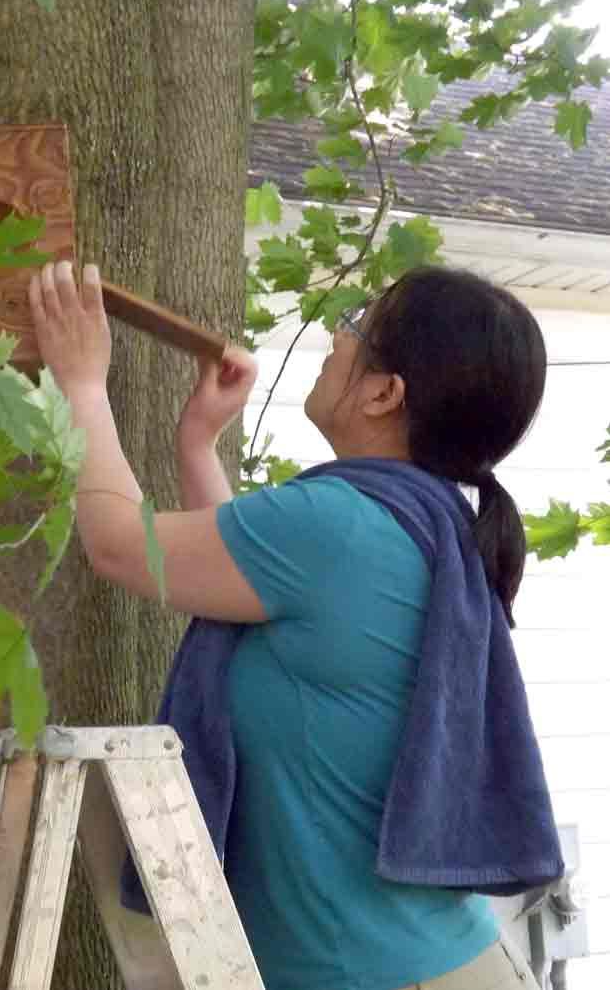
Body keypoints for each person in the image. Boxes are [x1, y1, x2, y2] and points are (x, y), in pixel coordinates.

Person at [28, 259, 560, 990]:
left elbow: (122, 547)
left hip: (373, 976)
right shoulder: (416, 520)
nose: (335, 339)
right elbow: (237, 587)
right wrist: (197, 444)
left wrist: (83, 386)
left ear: (384, 392)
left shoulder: (336, 525)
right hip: (423, 963)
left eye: (357, 326)